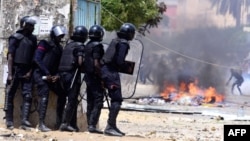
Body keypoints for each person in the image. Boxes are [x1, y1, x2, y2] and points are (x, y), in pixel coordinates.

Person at [100, 23, 136, 136]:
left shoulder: (115, 40)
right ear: (129, 33)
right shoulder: (124, 43)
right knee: (117, 99)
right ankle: (110, 126)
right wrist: (128, 67)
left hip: (105, 70)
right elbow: (119, 61)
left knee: (115, 99)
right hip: (111, 72)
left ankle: (112, 126)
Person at [5, 16, 37, 130]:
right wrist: (9, 73)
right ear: (24, 25)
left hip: (27, 70)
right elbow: (10, 55)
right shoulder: (15, 37)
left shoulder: (33, 39)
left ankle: (24, 121)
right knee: (10, 95)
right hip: (15, 69)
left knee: (27, 96)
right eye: (30, 25)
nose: (33, 28)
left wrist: (30, 71)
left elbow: (34, 57)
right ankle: (9, 121)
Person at [33, 25, 66, 132]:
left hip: (51, 77)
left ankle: (59, 122)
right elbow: (37, 59)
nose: (60, 38)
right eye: (59, 36)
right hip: (40, 75)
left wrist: (57, 75)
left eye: (61, 36)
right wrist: (46, 73)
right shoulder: (44, 44)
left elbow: (59, 65)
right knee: (45, 94)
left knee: (62, 94)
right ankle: (41, 123)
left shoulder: (59, 48)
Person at [57, 25, 88, 132]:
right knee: (72, 100)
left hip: (61, 75)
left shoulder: (68, 45)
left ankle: (71, 124)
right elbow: (80, 62)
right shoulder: (80, 46)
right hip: (72, 75)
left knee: (66, 100)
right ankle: (65, 123)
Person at [84, 25, 105, 134]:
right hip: (95, 76)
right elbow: (96, 63)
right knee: (98, 101)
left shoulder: (87, 45)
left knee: (90, 101)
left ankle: (89, 125)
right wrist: (102, 77)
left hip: (88, 76)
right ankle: (92, 125)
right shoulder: (97, 46)